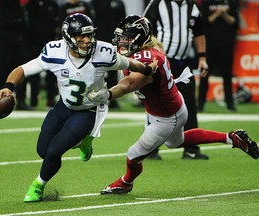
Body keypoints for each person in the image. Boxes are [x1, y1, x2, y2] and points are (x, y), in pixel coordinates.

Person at [0, 13, 157, 202]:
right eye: (81, 36)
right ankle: (85, 141)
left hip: (88, 110)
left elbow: (128, 63)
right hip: (64, 106)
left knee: (54, 152)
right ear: (69, 37)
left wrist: (147, 69)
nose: (87, 41)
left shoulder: (104, 52)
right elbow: (22, 70)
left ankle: (38, 186)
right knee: (43, 151)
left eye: (89, 35)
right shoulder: (54, 52)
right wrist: (7, 87)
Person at [87, 15, 259, 194]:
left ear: (139, 37)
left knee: (133, 155)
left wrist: (108, 94)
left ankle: (126, 182)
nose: (122, 41)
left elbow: (130, 83)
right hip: (172, 107)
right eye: (121, 37)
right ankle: (232, 138)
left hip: (167, 117)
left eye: (127, 37)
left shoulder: (148, 58)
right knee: (177, 142)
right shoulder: (148, 48)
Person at [143, 0, 209, 160]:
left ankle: (191, 149)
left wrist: (202, 57)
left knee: (190, 106)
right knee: (156, 105)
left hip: (182, 63)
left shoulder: (192, 6)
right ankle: (151, 149)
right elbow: (143, 30)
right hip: (161, 62)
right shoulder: (157, 3)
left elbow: (199, 32)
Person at [197, 0, 239, 112]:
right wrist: (217, 13)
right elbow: (204, 22)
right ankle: (200, 103)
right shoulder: (207, 3)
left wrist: (224, 14)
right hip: (210, 45)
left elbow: (235, 22)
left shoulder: (231, 2)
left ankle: (230, 103)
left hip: (226, 44)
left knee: (227, 75)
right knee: (205, 74)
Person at [0, 0, 30, 110]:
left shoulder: (20, 6)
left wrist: (12, 22)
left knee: (21, 72)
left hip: (18, 44)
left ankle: (21, 100)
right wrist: (16, 21)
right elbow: (2, 22)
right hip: (3, 45)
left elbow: (25, 24)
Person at [91, 0, 126, 109]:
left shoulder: (119, 3)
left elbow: (123, 24)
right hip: (97, 43)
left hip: (113, 43)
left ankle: (113, 100)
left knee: (113, 71)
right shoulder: (95, 3)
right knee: (95, 71)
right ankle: (93, 98)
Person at [25, 0, 60, 109]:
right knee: (33, 74)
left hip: (50, 44)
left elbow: (58, 24)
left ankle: (50, 99)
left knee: (52, 73)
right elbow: (26, 25)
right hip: (33, 44)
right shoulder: (29, 5)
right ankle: (33, 101)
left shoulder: (53, 5)